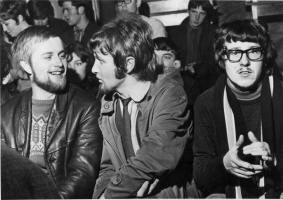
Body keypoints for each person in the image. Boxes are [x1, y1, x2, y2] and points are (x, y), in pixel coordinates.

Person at [90, 13, 193, 198]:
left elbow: (154, 154)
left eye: (101, 61)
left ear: (128, 64)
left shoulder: (170, 95)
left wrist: (111, 194)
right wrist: (102, 195)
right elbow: (107, 166)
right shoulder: (108, 102)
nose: (94, 69)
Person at [1, 26, 103, 199]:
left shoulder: (85, 107)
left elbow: (82, 174)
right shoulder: (6, 114)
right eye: (48, 56)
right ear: (27, 66)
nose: (59, 63)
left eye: (61, 55)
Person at [193, 20, 283, 198]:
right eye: (234, 52)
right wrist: (224, 164)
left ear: (264, 57)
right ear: (222, 57)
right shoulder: (206, 102)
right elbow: (200, 177)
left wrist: (274, 160)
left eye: (253, 51)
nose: (244, 62)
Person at [172, 0, 218, 106]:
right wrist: (183, 68)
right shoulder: (175, 33)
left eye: (201, 13)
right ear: (188, 11)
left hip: (205, 81)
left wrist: (198, 68)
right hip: (181, 81)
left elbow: (214, 60)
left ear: (206, 15)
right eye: (194, 12)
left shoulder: (212, 33)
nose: (197, 18)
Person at [0, 0, 31, 92]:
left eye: (6, 24)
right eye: (2, 25)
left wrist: (15, 74)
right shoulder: (18, 39)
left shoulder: (34, 38)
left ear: (20, 18)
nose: (4, 29)